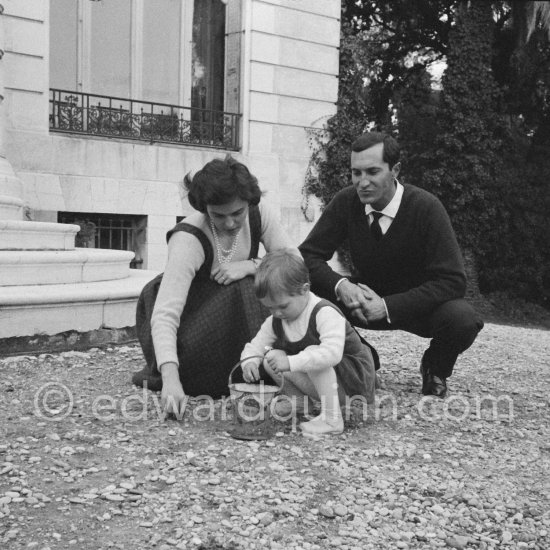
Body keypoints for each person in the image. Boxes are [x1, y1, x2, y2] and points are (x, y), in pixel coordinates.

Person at [299, 131, 484, 398]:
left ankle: (435, 367)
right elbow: (307, 256)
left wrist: (387, 307)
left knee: (463, 319)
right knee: (299, 295)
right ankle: (361, 355)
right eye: (356, 173)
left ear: (395, 169)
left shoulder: (426, 208)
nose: (362, 183)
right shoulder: (346, 202)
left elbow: (453, 281)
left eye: (372, 172)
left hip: (416, 307)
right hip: (359, 301)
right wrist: (341, 286)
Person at [132, 156, 295, 414]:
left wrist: (252, 265)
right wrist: (170, 379)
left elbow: (294, 263)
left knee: (262, 285)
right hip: (190, 320)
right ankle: (261, 371)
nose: (230, 223)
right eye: (218, 215)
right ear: (204, 208)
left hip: (230, 314)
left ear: (249, 203)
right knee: (245, 291)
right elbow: (165, 315)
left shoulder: (259, 213)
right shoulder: (188, 238)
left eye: (237, 213)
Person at [240, 250, 377, 435]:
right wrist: (249, 361)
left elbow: (332, 354)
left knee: (315, 353)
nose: (277, 313)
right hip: (325, 382)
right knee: (270, 356)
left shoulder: (324, 312)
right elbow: (257, 345)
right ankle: (298, 402)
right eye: (270, 308)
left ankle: (332, 419)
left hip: (351, 385)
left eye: (282, 306)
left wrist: (290, 362)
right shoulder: (277, 320)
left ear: (304, 290)